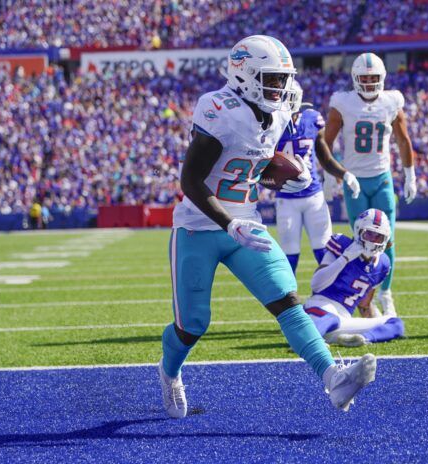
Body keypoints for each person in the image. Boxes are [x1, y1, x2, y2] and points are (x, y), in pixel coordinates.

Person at [158, 35, 377, 418]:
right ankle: (169, 371)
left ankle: (333, 379)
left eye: (283, 78)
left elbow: (251, 165)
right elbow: (191, 182)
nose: (281, 87)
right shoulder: (218, 108)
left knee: (287, 299)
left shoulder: (277, 115)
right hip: (198, 226)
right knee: (192, 324)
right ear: (244, 75)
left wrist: (277, 176)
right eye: (272, 79)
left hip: (246, 222)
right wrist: (229, 224)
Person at [324, 52, 417, 316]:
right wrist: (331, 175)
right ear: (354, 78)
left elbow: (403, 140)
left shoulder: (391, 101)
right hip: (354, 180)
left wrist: (410, 174)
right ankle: (361, 296)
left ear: (383, 78)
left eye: (374, 78)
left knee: (388, 240)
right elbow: (327, 142)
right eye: (364, 78)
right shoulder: (343, 102)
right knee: (360, 240)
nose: (368, 83)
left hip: (382, 177)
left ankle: (386, 293)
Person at [275, 80, 360, 274]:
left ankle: (326, 299)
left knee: (325, 253)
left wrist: (345, 174)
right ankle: (289, 303)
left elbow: (325, 157)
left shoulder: (312, 119)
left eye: (288, 97)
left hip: (313, 195)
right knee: (289, 256)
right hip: (286, 198)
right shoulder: (270, 123)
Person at [304, 209, 405, 347]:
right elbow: (316, 284)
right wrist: (344, 258)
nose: (373, 241)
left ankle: (361, 339)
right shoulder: (341, 245)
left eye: (378, 237)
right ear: (358, 231)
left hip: (343, 320)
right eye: (369, 234)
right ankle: (308, 342)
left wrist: (375, 323)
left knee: (396, 323)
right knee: (331, 318)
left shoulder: (383, 264)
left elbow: (364, 304)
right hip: (319, 309)